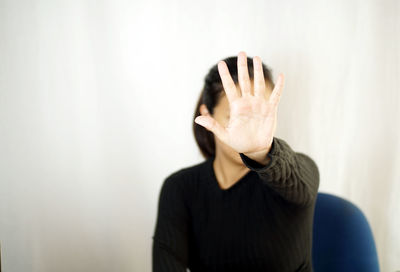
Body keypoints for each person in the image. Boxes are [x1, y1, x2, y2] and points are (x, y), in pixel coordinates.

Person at [152, 51, 320, 272]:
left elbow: (297, 180)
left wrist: (261, 151)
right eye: (237, 117)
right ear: (207, 115)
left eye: (259, 117)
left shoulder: (296, 178)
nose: (248, 129)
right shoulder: (180, 189)